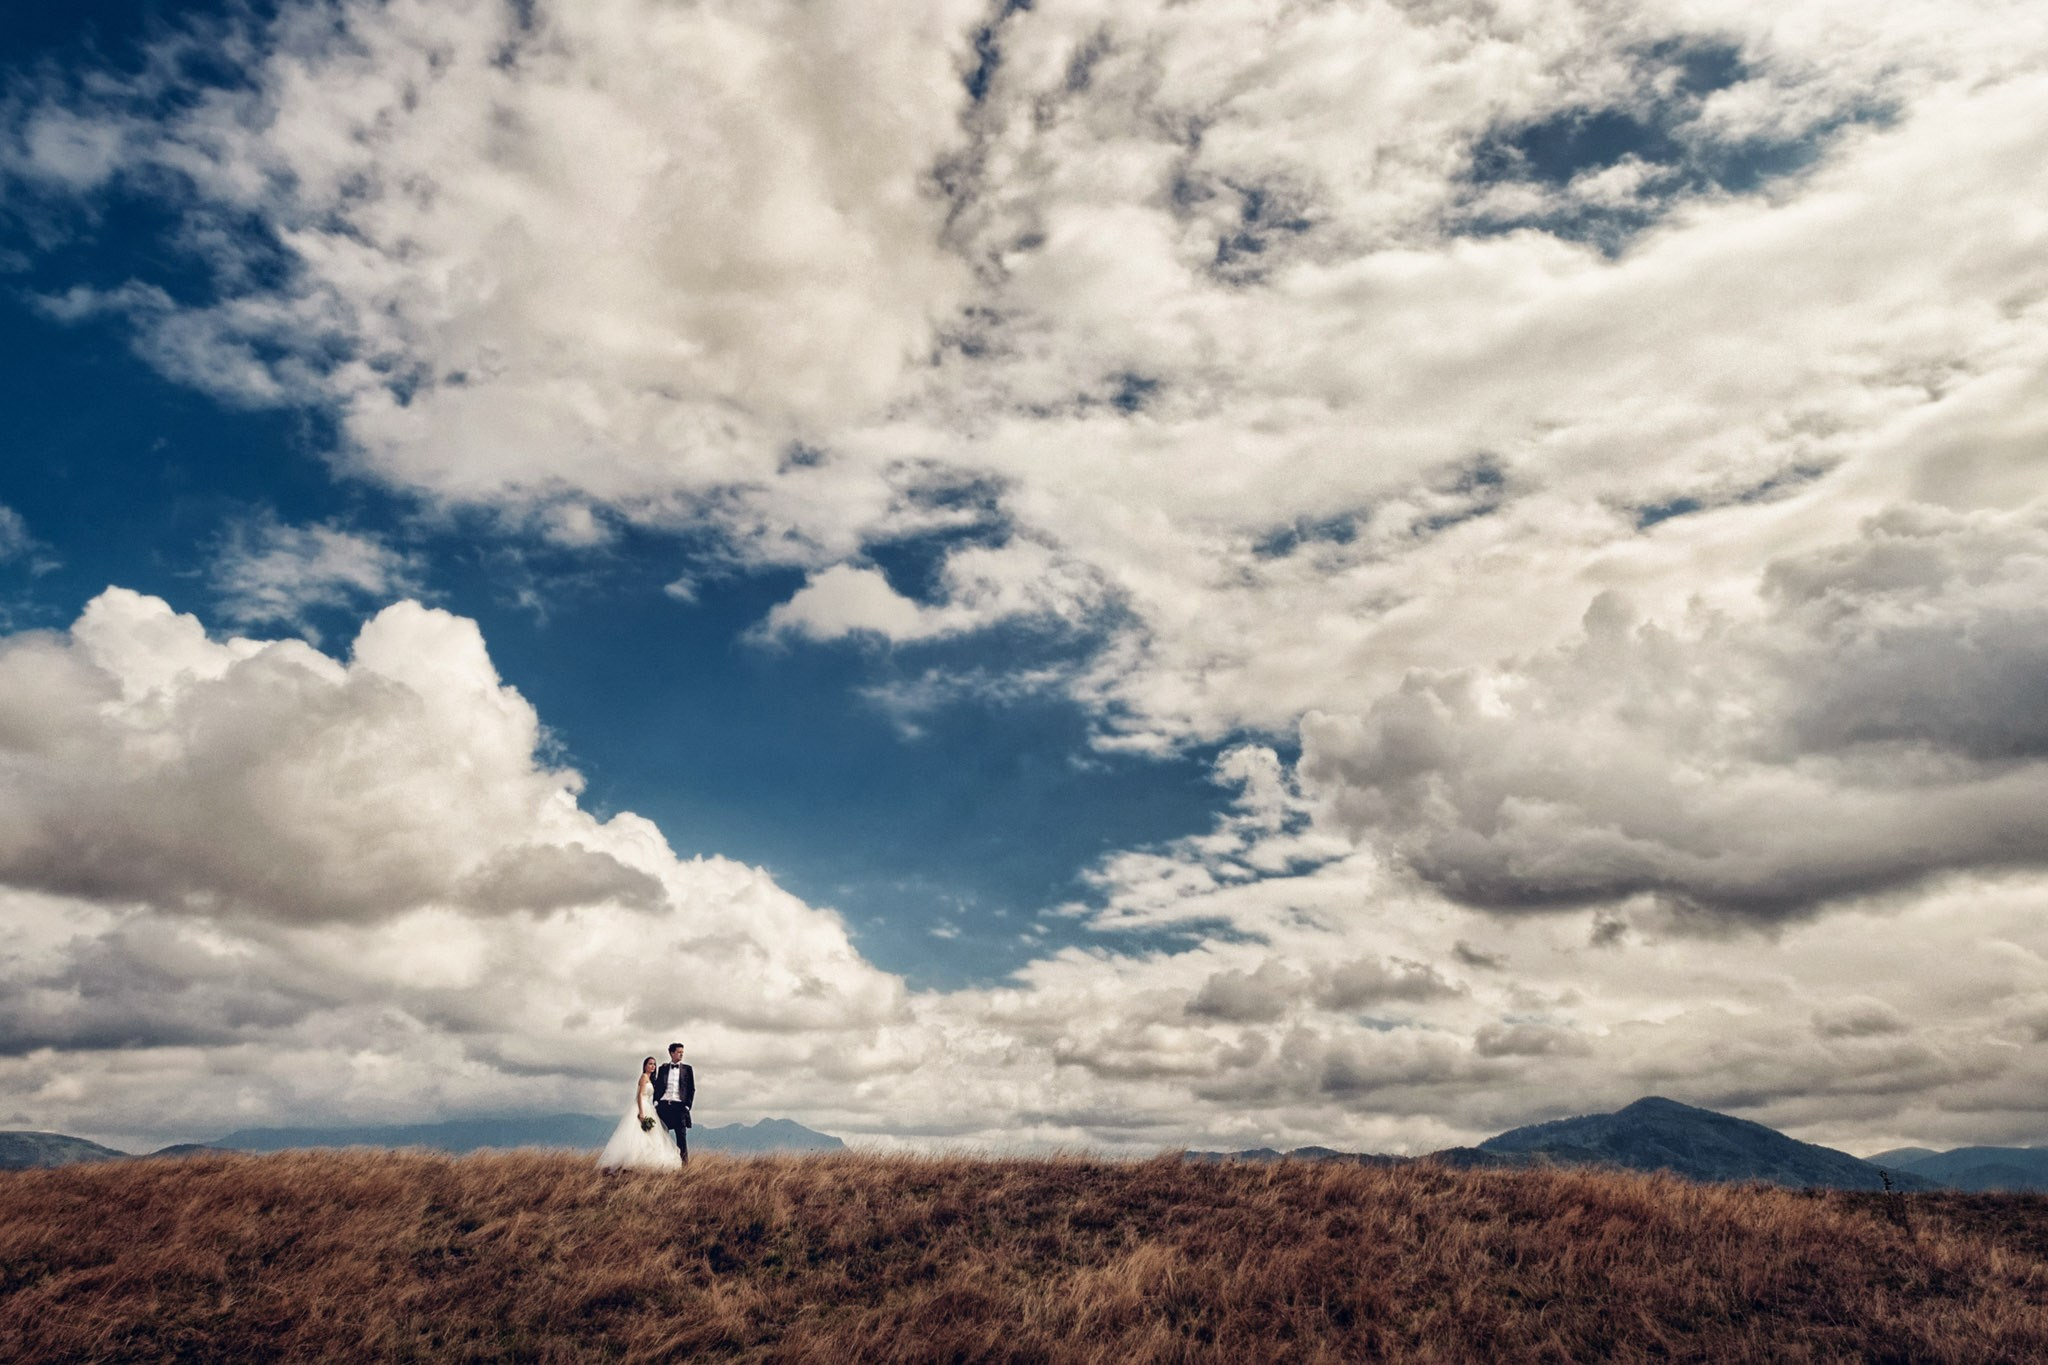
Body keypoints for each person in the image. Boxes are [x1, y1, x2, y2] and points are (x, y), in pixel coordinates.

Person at [597, 1056, 681, 1171]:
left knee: (650, 1135)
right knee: (637, 1134)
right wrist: (641, 1112)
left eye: (654, 1064)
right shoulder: (644, 1077)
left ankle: (645, 1161)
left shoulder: (651, 1079)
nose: (652, 1066)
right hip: (642, 1106)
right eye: (650, 1064)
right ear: (645, 1065)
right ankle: (629, 1162)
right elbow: (639, 1095)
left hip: (649, 1107)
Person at [652, 1041, 695, 1163]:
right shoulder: (663, 1068)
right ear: (671, 1053)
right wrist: (655, 1101)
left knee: (681, 1138)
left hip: (679, 1108)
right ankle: (661, 1163)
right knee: (660, 1136)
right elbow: (658, 1086)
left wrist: (687, 1106)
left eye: (682, 1052)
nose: (681, 1054)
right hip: (664, 1106)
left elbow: (691, 1088)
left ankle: (684, 1166)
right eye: (678, 1052)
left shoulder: (688, 1069)